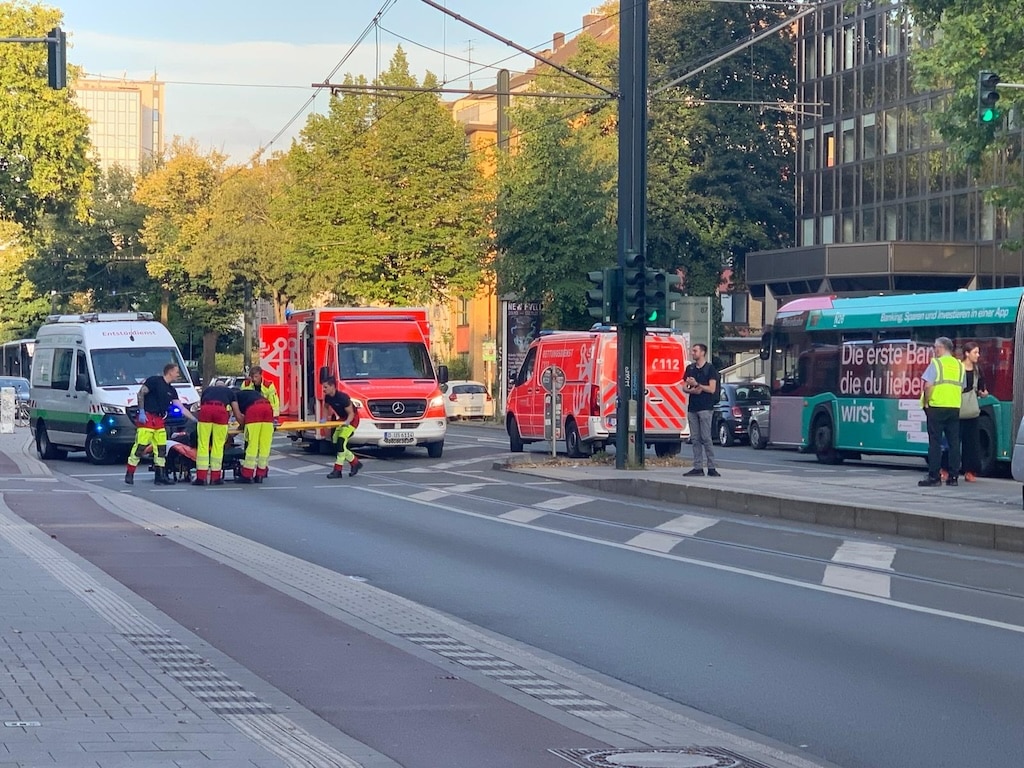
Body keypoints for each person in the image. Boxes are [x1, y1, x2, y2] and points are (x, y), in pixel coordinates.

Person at [125, 363, 197, 486]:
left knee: (161, 449)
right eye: (176, 372)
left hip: (159, 421)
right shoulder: (154, 381)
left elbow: (180, 407)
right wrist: (141, 411)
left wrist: (194, 419)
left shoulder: (171, 390)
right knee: (140, 446)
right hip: (147, 419)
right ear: (170, 372)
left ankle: (160, 476)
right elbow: (141, 393)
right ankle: (130, 473)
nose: (178, 375)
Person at [919, 336, 964, 487]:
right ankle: (953, 478)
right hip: (954, 408)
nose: (934, 350)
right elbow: (961, 387)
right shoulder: (959, 365)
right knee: (954, 443)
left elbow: (928, 386)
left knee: (935, 443)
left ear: (941, 348)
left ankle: (934, 477)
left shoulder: (936, 363)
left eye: (935, 347)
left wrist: (926, 402)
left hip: (936, 407)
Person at [191, 382, 243, 486]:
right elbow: (237, 413)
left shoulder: (207, 390)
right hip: (220, 411)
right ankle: (215, 477)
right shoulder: (230, 392)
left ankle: (201, 478)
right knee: (218, 445)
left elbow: (201, 405)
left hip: (206, 410)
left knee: (203, 444)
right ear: (225, 387)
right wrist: (243, 424)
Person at [683, 343, 720, 477]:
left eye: (695, 351)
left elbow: (712, 389)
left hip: (705, 407)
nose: (693, 353)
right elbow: (684, 387)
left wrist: (698, 385)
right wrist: (691, 389)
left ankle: (711, 467)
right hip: (692, 407)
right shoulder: (690, 368)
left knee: (706, 437)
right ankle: (697, 467)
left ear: (703, 352)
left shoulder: (710, 369)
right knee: (695, 438)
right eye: (692, 351)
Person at [959, 341, 988, 483]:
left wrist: (983, 393)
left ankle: (969, 471)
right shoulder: (958, 368)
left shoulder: (977, 370)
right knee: (952, 441)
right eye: (975, 352)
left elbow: (982, 389)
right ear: (966, 353)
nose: (978, 355)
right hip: (956, 408)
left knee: (971, 442)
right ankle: (946, 469)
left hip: (971, 410)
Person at [321, 376, 362, 478]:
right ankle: (355, 462)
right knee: (335, 443)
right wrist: (324, 419)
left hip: (352, 420)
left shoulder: (343, 398)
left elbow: (351, 413)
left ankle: (337, 471)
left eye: (325, 387)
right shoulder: (328, 397)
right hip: (343, 418)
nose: (324, 389)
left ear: (332, 387)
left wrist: (347, 422)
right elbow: (326, 407)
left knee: (340, 441)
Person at [234, 386, 274, 484]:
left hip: (254, 410)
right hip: (267, 407)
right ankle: (261, 473)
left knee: (252, 443)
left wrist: (242, 425)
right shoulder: (249, 393)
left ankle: (247, 474)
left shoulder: (234, 397)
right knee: (265, 444)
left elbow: (238, 415)